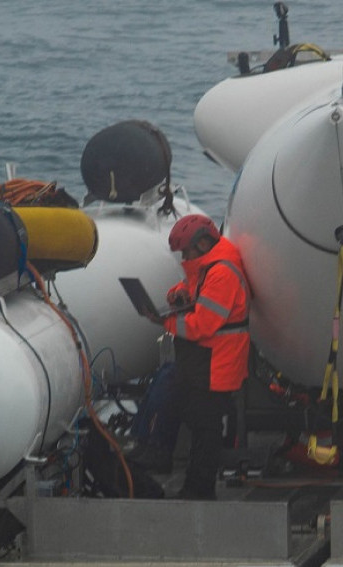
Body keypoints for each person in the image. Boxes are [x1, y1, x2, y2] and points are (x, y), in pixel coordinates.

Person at [142, 214, 251, 499]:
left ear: (203, 244)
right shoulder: (207, 267)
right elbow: (192, 289)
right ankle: (165, 460)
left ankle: (199, 490)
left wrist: (163, 322)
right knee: (186, 409)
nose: (184, 258)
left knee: (206, 429)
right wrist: (175, 296)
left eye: (186, 251)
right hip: (203, 362)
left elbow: (202, 325)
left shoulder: (222, 273)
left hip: (217, 364)